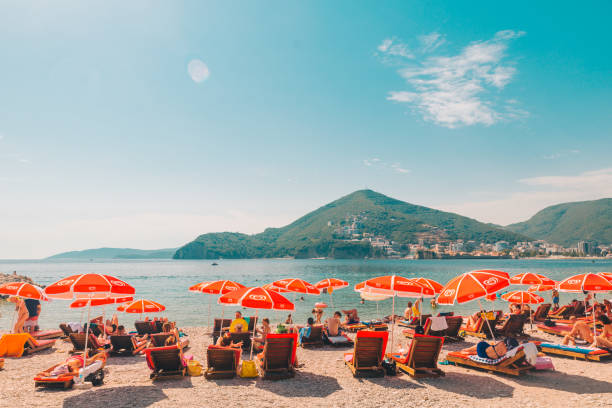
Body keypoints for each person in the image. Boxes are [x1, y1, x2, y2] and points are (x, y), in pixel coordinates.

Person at [37, 352, 107, 378]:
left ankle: (101, 354)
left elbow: (77, 374)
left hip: (77, 360)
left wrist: (65, 375)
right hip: (73, 359)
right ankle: (85, 354)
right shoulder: (62, 364)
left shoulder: (72, 366)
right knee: (88, 359)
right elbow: (49, 370)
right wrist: (45, 372)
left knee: (92, 360)